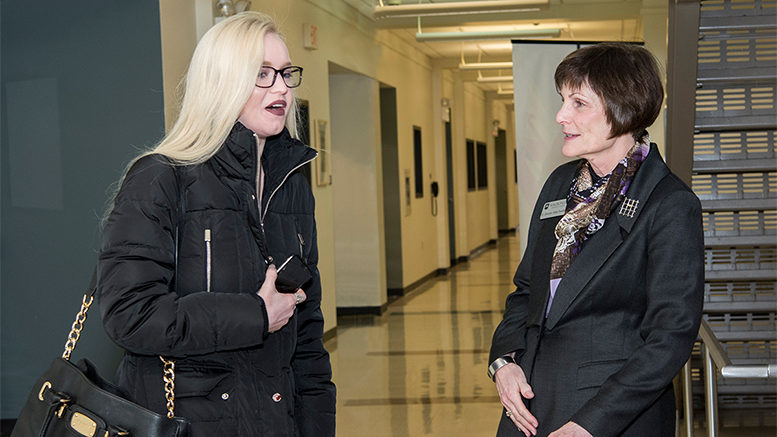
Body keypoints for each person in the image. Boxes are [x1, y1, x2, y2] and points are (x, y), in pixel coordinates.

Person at [97, 11, 335, 437]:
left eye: (285, 73)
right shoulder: (161, 178)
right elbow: (129, 315)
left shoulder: (292, 185)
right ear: (221, 83)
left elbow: (308, 334)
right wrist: (255, 314)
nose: (281, 87)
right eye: (262, 74)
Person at [489, 43, 704, 437]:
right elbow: (525, 291)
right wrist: (503, 362)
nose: (560, 115)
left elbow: (669, 338)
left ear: (625, 108)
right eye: (562, 100)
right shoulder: (560, 185)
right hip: (531, 405)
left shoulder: (670, 204)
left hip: (608, 417)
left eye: (578, 103)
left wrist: (589, 425)